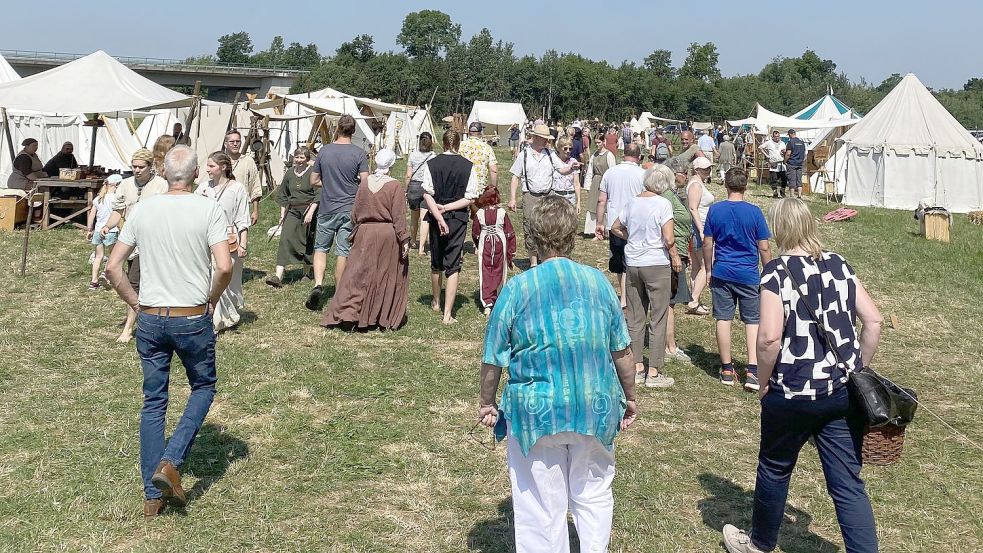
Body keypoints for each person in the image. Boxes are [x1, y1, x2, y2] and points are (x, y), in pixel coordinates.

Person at [478, 195, 637, 553]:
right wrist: (630, 397)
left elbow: (493, 358)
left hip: (536, 410)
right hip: (594, 405)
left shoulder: (518, 289)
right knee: (594, 493)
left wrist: (487, 402)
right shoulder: (599, 284)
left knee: (540, 505)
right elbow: (622, 351)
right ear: (570, 237)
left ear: (533, 236)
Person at [722, 197, 881, 553]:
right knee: (847, 483)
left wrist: (762, 382)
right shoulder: (839, 265)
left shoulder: (776, 273)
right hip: (839, 391)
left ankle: (760, 544)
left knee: (775, 467)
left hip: (791, 392)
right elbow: (873, 320)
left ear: (779, 228)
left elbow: (769, 338)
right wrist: (859, 369)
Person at [105, 145, 232, 521]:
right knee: (203, 386)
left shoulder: (144, 209)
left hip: (152, 317)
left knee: (154, 402)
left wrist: (136, 304)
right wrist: (212, 301)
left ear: (163, 172)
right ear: (194, 175)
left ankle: (151, 496)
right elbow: (224, 267)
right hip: (191, 315)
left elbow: (114, 267)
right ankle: (171, 461)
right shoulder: (208, 208)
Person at [321, 149, 410, 330]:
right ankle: (379, 316)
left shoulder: (364, 183)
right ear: (392, 164)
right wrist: (404, 238)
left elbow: (355, 212)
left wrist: (357, 229)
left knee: (357, 274)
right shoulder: (394, 186)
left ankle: (350, 312)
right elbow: (399, 216)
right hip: (387, 234)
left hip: (364, 232)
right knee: (384, 274)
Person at [610, 166, 682, 388]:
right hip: (656, 263)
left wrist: (631, 237)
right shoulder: (663, 204)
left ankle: (637, 365)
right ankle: (654, 371)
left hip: (633, 263)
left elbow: (615, 227)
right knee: (658, 316)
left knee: (635, 316)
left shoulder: (632, 201)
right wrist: (675, 257)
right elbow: (668, 238)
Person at [702, 168, 772, 388]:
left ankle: (726, 368)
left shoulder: (715, 210)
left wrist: (708, 268)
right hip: (748, 274)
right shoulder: (754, 212)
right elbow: (764, 246)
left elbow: (707, 243)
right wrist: (769, 270)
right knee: (752, 321)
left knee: (723, 318)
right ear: (745, 187)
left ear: (725, 185)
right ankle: (752, 369)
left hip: (722, 270)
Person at [101, 148, 169, 343]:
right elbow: (118, 212)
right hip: (130, 241)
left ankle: (130, 328)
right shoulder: (125, 184)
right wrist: (107, 226)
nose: (137, 170)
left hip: (153, 242)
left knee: (136, 282)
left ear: (150, 166)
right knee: (131, 281)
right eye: (134, 166)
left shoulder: (161, 186)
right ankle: (139, 319)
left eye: (141, 167)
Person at [307, 115, 369, 311]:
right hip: (348, 208)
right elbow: (365, 183)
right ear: (353, 131)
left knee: (320, 248)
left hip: (327, 207)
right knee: (343, 251)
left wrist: (329, 184)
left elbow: (313, 180)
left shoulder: (324, 151)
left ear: (337, 129)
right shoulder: (359, 153)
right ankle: (340, 291)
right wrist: (350, 185)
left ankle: (318, 284)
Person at [422, 130, 481, 324]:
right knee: (453, 264)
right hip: (457, 218)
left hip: (435, 214)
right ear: (458, 144)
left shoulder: (431, 164)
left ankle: (436, 301)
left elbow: (427, 194)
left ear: (443, 143)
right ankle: (447, 314)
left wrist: (439, 215)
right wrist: (447, 209)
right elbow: (470, 197)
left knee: (436, 261)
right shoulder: (468, 166)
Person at [507, 123, 579, 267]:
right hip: (530, 196)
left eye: (547, 138)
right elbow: (515, 177)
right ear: (535, 137)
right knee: (530, 227)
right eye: (544, 138)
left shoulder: (550, 154)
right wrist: (513, 198)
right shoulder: (524, 155)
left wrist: (571, 168)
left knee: (549, 227)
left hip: (548, 196)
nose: (547, 141)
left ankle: (547, 259)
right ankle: (534, 263)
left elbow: (562, 170)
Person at [195, 152, 251, 332]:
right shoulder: (203, 188)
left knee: (228, 281)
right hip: (206, 238)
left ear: (223, 167)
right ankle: (215, 320)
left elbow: (243, 218)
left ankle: (229, 315)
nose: (207, 169)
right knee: (211, 278)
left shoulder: (237, 188)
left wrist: (243, 243)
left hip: (229, 238)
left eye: (211, 166)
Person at [595, 143, 645, 309]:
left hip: (614, 222)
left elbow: (602, 200)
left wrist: (599, 223)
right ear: (638, 157)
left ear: (624, 155)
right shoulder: (642, 174)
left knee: (618, 260)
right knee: (630, 260)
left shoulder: (610, 172)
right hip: (635, 222)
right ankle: (627, 296)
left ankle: (624, 295)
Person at [266, 147, 317, 288]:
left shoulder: (313, 173)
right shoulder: (289, 173)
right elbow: (283, 195)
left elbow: (319, 194)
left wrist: (311, 212)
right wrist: (282, 215)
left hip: (309, 210)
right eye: (297, 157)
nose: (299, 160)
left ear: (307, 159)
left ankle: (306, 272)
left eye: (302, 158)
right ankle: (278, 276)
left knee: (307, 240)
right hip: (293, 211)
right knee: (285, 239)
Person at [662, 160, 695, 363]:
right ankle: (670, 346)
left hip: (679, 251)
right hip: (671, 254)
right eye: (684, 173)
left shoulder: (672, 195)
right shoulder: (666, 196)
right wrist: (675, 254)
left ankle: (669, 343)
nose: (686, 177)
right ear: (674, 174)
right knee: (669, 301)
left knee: (671, 301)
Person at [470, 186, 516, 315]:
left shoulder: (479, 213)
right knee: (499, 270)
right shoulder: (502, 212)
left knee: (485, 271)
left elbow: (475, 232)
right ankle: (497, 298)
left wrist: (478, 245)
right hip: (500, 242)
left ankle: (487, 303)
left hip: (485, 243)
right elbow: (509, 232)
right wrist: (511, 249)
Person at [686, 157, 715, 316]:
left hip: (698, 228)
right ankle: (694, 300)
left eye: (709, 168)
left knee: (697, 267)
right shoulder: (696, 185)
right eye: (704, 169)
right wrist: (702, 230)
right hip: (700, 228)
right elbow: (693, 208)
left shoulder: (697, 182)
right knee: (707, 265)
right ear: (696, 170)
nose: (708, 171)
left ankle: (694, 299)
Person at [85, 174, 122, 290]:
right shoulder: (117, 199)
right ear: (117, 185)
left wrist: (89, 229)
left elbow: (92, 215)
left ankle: (94, 281)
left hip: (97, 231)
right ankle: (106, 273)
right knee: (113, 256)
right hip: (111, 230)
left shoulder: (98, 199)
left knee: (98, 256)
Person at [405, 132, 436, 255]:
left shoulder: (413, 155)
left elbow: (408, 175)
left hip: (413, 186)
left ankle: (413, 240)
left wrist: (405, 189)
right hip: (426, 187)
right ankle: (422, 248)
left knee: (414, 217)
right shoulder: (434, 156)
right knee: (424, 218)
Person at [583, 129, 617, 237]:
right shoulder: (594, 155)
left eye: (599, 142)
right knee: (593, 204)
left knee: (605, 205)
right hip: (596, 181)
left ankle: (606, 229)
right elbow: (590, 170)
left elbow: (612, 171)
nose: (597, 144)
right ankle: (592, 229)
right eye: (596, 142)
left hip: (605, 181)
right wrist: (587, 185)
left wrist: (611, 185)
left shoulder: (609, 155)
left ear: (603, 142)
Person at [225, 130, 262, 226]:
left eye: (238, 141)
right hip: (223, 207)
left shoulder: (248, 161)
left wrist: (255, 211)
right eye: (232, 142)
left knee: (241, 238)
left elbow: (255, 186)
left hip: (242, 207)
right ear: (226, 144)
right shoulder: (220, 161)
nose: (235, 144)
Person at [460, 122, 498, 191]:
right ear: (480, 133)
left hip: (462, 186)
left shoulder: (460, 146)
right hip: (480, 187)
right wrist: (494, 188)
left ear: (469, 132)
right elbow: (493, 170)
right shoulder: (487, 148)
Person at [553, 137, 581, 211]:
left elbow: (576, 184)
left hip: (570, 196)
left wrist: (578, 202)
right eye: (565, 149)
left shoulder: (574, 161)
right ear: (559, 148)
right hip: (557, 195)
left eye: (570, 149)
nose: (568, 151)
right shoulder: (554, 161)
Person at [761, 130, 788, 198]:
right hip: (773, 163)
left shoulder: (782, 143)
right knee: (774, 179)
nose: (777, 138)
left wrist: (784, 152)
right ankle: (775, 192)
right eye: (775, 136)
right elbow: (761, 147)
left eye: (778, 136)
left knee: (784, 178)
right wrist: (767, 155)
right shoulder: (769, 143)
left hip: (782, 163)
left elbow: (785, 151)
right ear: (773, 137)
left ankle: (782, 191)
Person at [784, 129, 806, 199]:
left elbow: (788, 154)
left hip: (792, 163)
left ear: (790, 134)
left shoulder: (790, 142)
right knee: (799, 180)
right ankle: (799, 196)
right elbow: (804, 153)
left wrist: (785, 161)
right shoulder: (802, 142)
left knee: (792, 179)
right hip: (799, 163)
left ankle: (792, 196)